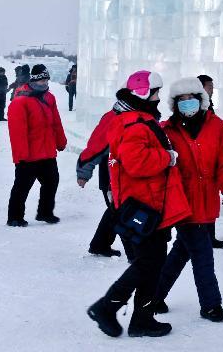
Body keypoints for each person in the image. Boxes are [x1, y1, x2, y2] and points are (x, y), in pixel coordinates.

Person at [86, 71, 191, 338]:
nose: (158, 98)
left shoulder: (139, 119)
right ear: (143, 95)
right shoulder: (134, 124)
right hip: (145, 206)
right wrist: (167, 157)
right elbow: (137, 162)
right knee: (147, 264)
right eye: (155, 93)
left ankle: (142, 318)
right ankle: (106, 307)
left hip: (152, 204)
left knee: (152, 265)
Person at [153, 77, 223, 323]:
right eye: (181, 100)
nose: (187, 103)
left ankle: (155, 295)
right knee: (202, 253)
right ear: (174, 104)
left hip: (207, 199)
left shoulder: (218, 126)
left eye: (191, 98)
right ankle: (211, 305)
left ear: (201, 99)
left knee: (182, 251)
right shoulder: (167, 129)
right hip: (182, 201)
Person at [77, 92, 138, 258]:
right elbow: (96, 147)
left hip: (125, 175)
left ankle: (100, 244)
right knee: (123, 213)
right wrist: (83, 172)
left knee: (115, 211)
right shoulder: (114, 118)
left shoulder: (134, 116)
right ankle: (134, 255)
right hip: (113, 176)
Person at [6, 65, 67, 226]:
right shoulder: (20, 101)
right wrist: (21, 155)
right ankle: (14, 217)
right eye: (41, 79)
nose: (44, 82)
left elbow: (56, 122)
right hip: (29, 155)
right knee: (22, 187)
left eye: (46, 79)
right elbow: (17, 132)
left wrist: (60, 141)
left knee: (52, 181)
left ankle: (45, 213)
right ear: (33, 80)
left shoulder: (49, 97)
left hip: (47, 152)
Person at [197, 74, 223, 249]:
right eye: (210, 86)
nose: (212, 90)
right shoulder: (196, 108)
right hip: (202, 161)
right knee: (203, 201)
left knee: (210, 200)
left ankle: (210, 236)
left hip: (210, 161)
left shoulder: (209, 107)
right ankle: (205, 237)